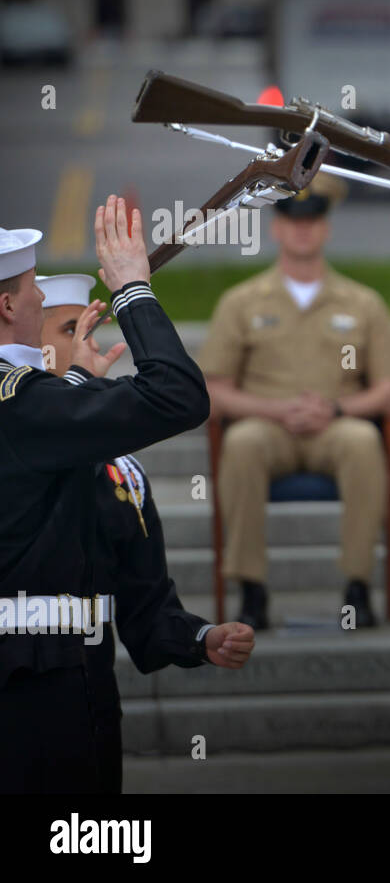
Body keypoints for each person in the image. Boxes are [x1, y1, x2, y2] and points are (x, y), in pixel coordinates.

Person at [0, 197, 210, 792]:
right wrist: (132, 289)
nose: (40, 300)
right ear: (8, 304)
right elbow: (178, 397)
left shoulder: (29, 406)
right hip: (35, 684)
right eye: (30, 290)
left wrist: (73, 387)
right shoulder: (25, 406)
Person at [38, 272, 255, 793]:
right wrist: (74, 393)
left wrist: (201, 638)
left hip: (86, 699)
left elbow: (145, 607)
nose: (89, 346)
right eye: (72, 330)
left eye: (90, 329)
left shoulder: (120, 474)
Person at [198, 176, 390, 629]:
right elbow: (214, 389)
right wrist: (274, 410)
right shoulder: (240, 302)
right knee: (241, 446)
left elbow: (389, 388)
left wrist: (336, 410)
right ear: (276, 227)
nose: (302, 230)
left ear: (326, 228)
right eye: (293, 220)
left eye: (313, 220)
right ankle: (251, 590)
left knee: (361, 443)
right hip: (266, 424)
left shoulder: (362, 302)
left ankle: (357, 584)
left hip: (336, 424)